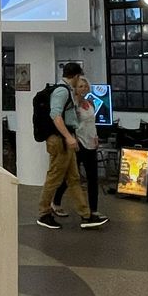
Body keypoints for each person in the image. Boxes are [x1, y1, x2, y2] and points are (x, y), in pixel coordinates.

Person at [37, 61, 107, 231]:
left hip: (65, 140)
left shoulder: (66, 90)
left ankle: (86, 215)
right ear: (75, 76)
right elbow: (55, 115)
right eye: (79, 79)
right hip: (60, 140)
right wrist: (69, 137)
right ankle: (44, 213)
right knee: (54, 177)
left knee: (74, 178)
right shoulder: (62, 91)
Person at [53, 69, 101, 218]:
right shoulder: (72, 103)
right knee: (71, 177)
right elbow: (69, 121)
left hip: (91, 143)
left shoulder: (90, 103)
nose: (83, 89)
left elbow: (91, 122)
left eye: (85, 86)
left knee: (93, 178)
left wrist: (96, 136)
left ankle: (93, 209)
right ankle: (56, 202)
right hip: (78, 144)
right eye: (80, 86)